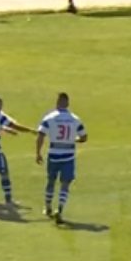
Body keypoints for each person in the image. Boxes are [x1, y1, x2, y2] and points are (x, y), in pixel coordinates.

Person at [36, 93, 88, 225]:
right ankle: (60, 208)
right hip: (68, 155)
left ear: (57, 102)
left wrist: (38, 153)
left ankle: (47, 207)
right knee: (65, 183)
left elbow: (41, 135)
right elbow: (84, 137)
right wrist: (74, 139)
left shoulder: (50, 118)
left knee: (51, 181)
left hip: (54, 154)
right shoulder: (75, 119)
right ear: (68, 103)